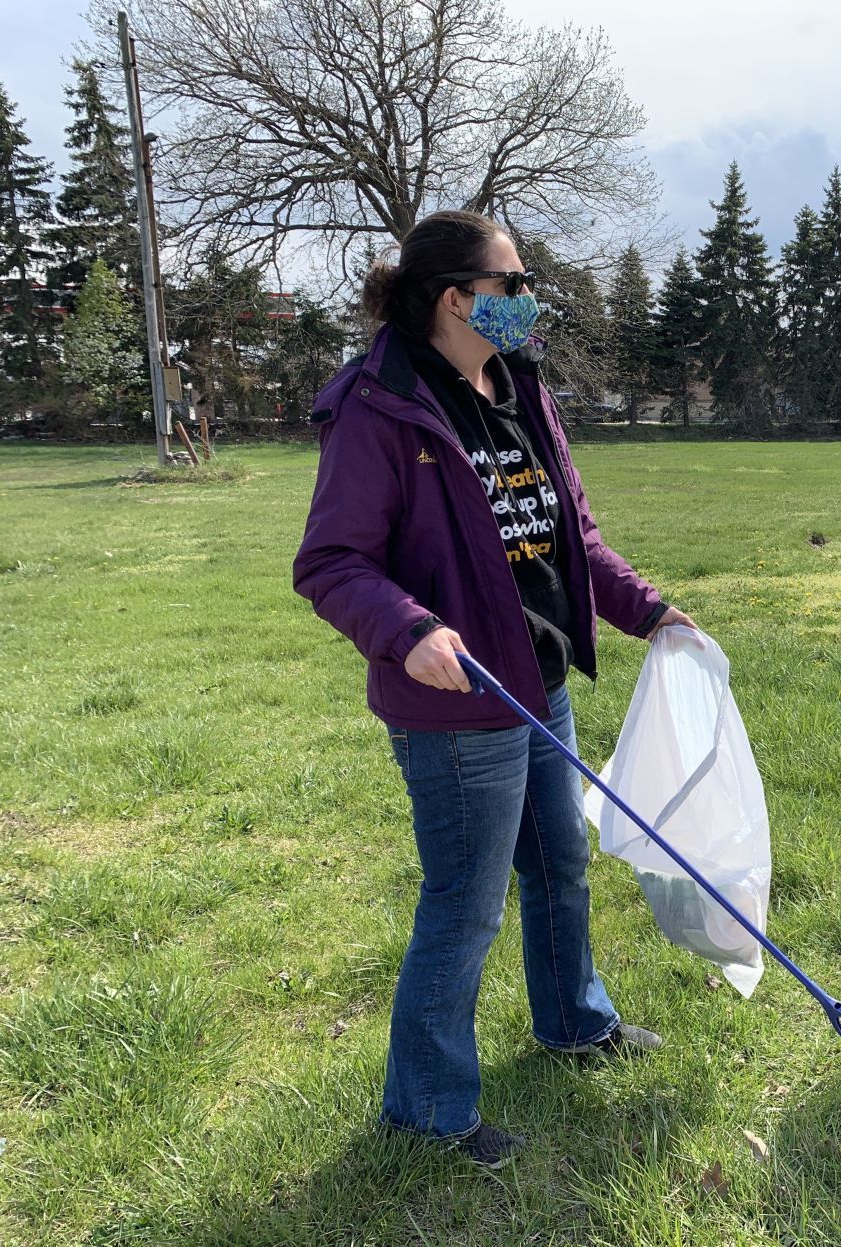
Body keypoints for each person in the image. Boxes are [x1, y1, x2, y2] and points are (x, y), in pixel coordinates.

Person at [294, 210, 692, 1168]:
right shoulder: (378, 406)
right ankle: (427, 1107)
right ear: (455, 299)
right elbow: (332, 560)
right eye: (514, 285)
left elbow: (574, 537)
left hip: (538, 677)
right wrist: (411, 628)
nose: (529, 301)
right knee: (465, 903)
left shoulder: (520, 387)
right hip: (455, 701)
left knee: (559, 863)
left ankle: (573, 1022)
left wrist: (654, 613)